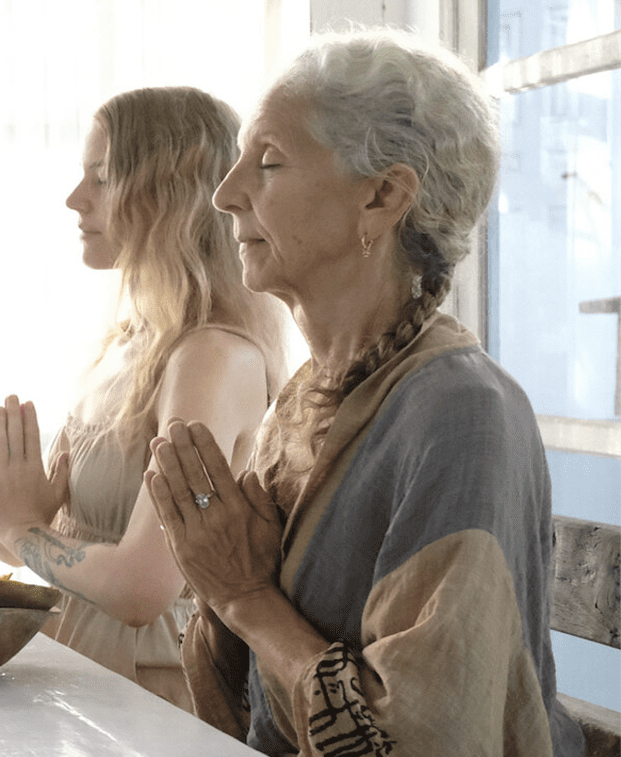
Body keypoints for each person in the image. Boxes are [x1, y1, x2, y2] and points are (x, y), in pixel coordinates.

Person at [145, 28, 585, 757]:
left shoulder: (462, 415)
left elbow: (418, 742)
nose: (226, 195)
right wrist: (220, 580)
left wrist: (245, 599)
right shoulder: (307, 398)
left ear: (382, 197)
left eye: (270, 163)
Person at [0, 86, 288, 712]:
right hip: (76, 670)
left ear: (168, 193)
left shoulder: (213, 357)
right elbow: (33, 543)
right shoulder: (126, 344)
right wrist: (23, 529)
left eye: (103, 176)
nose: (75, 199)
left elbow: (143, 586)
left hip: (148, 697)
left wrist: (20, 528)